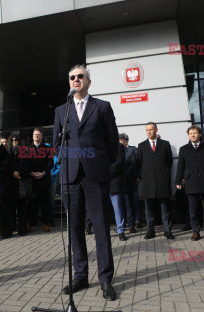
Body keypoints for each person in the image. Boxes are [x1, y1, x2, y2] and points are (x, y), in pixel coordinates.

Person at [53, 64, 119, 301]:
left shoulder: (102, 107)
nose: (76, 80)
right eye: (72, 77)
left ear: (88, 82)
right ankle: (80, 275)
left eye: (80, 76)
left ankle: (105, 279)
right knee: (75, 228)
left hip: (95, 176)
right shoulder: (63, 110)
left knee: (100, 228)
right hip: (70, 177)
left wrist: (101, 164)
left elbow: (112, 142)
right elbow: (56, 143)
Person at [176, 125, 204, 241]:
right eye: (190, 133)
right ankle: (195, 231)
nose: (192, 135)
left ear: (200, 134)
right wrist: (178, 181)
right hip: (191, 183)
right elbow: (180, 166)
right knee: (193, 210)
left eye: (195, 133)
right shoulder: (184, 149)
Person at [137, 122, 174, 240]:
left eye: (151, 129)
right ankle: (150, 231)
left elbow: (169, 162)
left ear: (156, 130)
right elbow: (139, 163)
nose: (149, 132)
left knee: (165, 209)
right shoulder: (141, 145)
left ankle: (167, 231)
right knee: (149, 210)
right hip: (147, 183)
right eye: (147, 130)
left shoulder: (165, 144)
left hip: (162, 181)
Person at [27, 128, 53, 232]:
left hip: (44, 180)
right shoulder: (27, 149)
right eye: (35, 134)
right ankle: (29, 223)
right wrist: (31, 173)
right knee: (31, 203)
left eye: (38, 135)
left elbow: (51, 163)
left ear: (42, 137)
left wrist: (43, 173)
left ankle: (45, 223)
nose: (36, 136)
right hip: (31, 180)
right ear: (32, 136)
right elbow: (24, 163)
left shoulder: (47, 149)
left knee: (45, 203)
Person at [118, 133, 142, 233]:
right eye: (119, 140)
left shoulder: (134, 150)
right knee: (124, 203)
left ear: (126, 141)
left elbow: (137, 165)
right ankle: (128, 222)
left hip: (132, 180)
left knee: (135, 200)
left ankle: (136, 220)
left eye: (122, 140)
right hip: (120, 182)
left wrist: (138, 177)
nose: (120, 142)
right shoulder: (116, 150)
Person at [110, 143, 127, 241]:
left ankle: (120, 230)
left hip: (114, 181)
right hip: (101, 182)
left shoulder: (119, 146)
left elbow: (120, 162)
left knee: (118, 208)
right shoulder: (99, 144)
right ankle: (102, 232)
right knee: (101, 210)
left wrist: (107, 172)